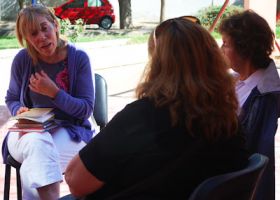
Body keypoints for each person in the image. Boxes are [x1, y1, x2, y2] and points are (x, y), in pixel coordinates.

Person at [64, 16, 248, 199]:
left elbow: (75, 182)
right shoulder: (228, 120)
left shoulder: (142, 117)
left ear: (158, 64)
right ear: (213, 59)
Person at [2, 4, 95, 200]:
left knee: (33, 166)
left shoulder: (78, 58)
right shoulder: (23, 60)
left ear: (55, 25)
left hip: (71, 131)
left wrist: (54, 92)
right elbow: (11, 98)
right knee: (38, 143)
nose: (41, 37)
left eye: (45, 28)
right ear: (27, 39)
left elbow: (85, 110)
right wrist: (19, 109)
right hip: (27, 132)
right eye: (33, 34)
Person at [219, 10, 280, 200]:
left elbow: (250, 150)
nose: (221, 49)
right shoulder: (235, 79)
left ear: (244, 48)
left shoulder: (265, 95)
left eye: (226, 44)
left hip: (242, 187)